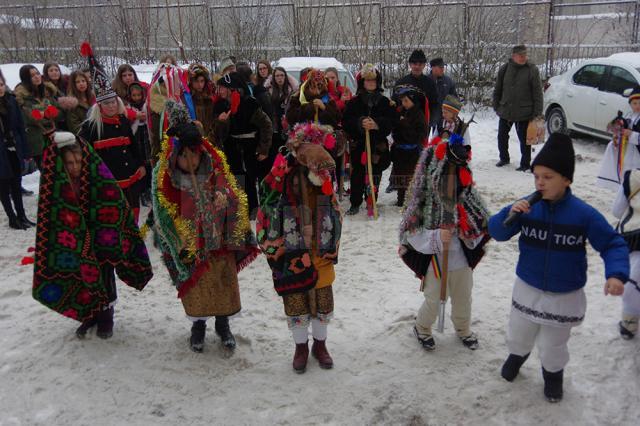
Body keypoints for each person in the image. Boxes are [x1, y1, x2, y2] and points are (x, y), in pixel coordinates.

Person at [488, 133, 628, 402]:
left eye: (548, 177)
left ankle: (553, 376)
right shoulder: (527, 208)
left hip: (563, 295)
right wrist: (510, 213)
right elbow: (496, 231)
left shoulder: (583, 214)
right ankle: (517, 356)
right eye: (536, 176)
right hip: (527, 287)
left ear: (566, 179)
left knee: (553, 345)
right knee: (518, 333)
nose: (540, 182)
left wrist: (616, 274)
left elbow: (613, 244)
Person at [152, 101, 259, 353]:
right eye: (184, 156)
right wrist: (182, 232)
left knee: (222, 282)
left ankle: (223, 325)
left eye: (194, 154)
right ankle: (198, 326)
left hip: (217, 240)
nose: (190, 161)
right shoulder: (164, 175)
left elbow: (231, 190)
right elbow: (162, 212)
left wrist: (224, 198)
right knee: (196, 285)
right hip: (189, 240)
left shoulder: (214, 166)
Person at [32, 131, 153, 339]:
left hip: (99, 237)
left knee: (104, 275)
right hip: (74, 240)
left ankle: (106, 316)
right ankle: (89, 314)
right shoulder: (55, 186)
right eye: (69, 163)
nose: (75, 167)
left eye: (78, 161)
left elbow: (113, 201)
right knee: (82, 276)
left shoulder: (96, 176)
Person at [257, 122, 342, 373]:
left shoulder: (325, 176)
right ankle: (301, 346)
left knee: (323, 299)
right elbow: (267, 203)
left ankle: (320, 344)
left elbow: (335, 207)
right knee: (296, 300)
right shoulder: (283, 172)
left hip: (320, 246)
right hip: (292, 249)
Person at [399, 134, 490, 351]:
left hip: (460, 259)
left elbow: (481, 224)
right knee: (434, 298)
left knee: (463, 297)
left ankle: (463, 328)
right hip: (436, 261)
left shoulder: (466, 195)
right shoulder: (423, 200)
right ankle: (422, 327)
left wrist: (467, 231)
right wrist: (436, 237)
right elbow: (411, 233)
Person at [79, 44, 146, 223]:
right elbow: (85, 157)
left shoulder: (123, 121)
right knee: (113, 218)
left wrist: (141, 165)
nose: (111, 106)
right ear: (99, 105)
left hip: (130, 176)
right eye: (106, 103)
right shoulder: (91, 127)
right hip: (107, 182)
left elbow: (133, 145)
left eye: (113, 102)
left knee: (133, 212)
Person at [213, 72, 272, 215]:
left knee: (250, 178)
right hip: (231, 147)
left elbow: (266, 125)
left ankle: (253, 208)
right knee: (235, 178)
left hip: (250, 146)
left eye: (222, 87)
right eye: (219, 88)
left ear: (231, 88)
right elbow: (218, 134)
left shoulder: (249, 103)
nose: (219, 91)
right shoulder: (220, 105)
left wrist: (264, 149)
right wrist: (222, 122)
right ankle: (239, 209)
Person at [342, 64, 397, 216]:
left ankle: (371, 200)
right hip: (359, 146)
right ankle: (355, 202)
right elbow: (346, 121)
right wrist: (360, 123)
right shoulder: (354, 102)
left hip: (377, 146)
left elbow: (393, 120)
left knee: (375, 174)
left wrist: (377, 124)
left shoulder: (385, 102)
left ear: (377, 82)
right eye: (367, 80)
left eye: (373, 81)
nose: (370, 83)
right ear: (363, 82)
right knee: (357, 174)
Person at [493, 45, 543, 171]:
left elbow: (537, 93)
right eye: (521, 55)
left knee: (525, 140)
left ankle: (525, 164)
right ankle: (504, 158)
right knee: (502, 137)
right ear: (513, 56)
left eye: (525, 55)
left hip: (524, 112)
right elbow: (498, 89)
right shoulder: (504, 69)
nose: (523, 57)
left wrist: (537, 112)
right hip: (505, 110)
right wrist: (496, 106)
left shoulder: (532, 70)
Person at [14, 64, 65, 169]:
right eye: (32, 76)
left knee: (62, 172)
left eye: (37, 73)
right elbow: (29, 118)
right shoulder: (22, 98)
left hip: (55, 137)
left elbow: (60, 112)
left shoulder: (47, 92)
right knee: (49, 175)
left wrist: (54, 113)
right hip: (38, 141)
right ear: (26, 79)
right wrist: (45, 113)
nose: (37, 77)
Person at [0, 73, 33, 229]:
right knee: (3, 186)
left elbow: (20, 126)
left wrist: (25, 150)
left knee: (16, 183)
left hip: (14, 147)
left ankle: (22, 215)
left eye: (0, 85)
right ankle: (12, 218)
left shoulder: (11, 100)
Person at [611, 169, 640, 339]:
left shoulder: (633, 177)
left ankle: (629, 322)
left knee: (632, 282)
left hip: (634, 236)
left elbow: (617, 210)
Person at [390, 85, 428, 206]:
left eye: (406, 100)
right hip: (399, 151)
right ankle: (401, 199)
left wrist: (404, 124)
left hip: (412, 153)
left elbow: (420, 135)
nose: (403, 103)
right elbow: (395, 129)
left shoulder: (419, 115)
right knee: (400, 175)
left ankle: (410, 199)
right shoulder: (402, 111)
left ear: (413, 100)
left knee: (410, 177)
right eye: (402, 100)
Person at [597, 86, 640, 190]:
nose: (638, 106)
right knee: (625, 177)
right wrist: (617, 133)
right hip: (626, 153)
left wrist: (632, 134)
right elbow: (614, 128)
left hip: (637, 156)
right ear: (630, 104)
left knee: (635, 179)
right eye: (635, 103)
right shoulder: (628, 116)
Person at [394, 49, 439, 126]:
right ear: (410, 64)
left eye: (420, 64)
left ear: (424, 65)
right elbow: (395, 103)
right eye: (414, 63)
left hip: (423, 124)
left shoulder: (430, 83)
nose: (417, 66)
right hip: (404, 124)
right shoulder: (401, 83)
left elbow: (434, 104)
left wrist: (432, 121)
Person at [265, 66, 299, 161]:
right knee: (275, 154)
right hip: (274, 126)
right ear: (274, 78)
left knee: (287, 154)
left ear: (285, 77)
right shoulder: (268, 91)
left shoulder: (292, 92)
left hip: (288, 126)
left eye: (282, 75)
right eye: (277, 76)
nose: (280, 78)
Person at [188, 63, 217, 144]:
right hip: (194, 140)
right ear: (191, 82)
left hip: (210, 139)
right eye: (196, 81)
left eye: (202, 81)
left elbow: (213, 120)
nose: (200, 85)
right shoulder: (188, 99)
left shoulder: (210, 98)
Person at [428, 57, 458, 131]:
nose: (442, 69)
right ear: (433, 68)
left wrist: (452, 113)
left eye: (443, 67)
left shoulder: (448, 81)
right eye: (440, 67)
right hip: (427, 117)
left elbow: (454, 99)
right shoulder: (425, 80)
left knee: (441, 141)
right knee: (423, 141)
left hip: (443, 119)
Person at [66, 70, 96, 135]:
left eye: (83, 81)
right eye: (77, 82)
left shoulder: (92, 96)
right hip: (85, 136)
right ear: (73, 84)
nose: (81, 84)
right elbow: (75, 127)